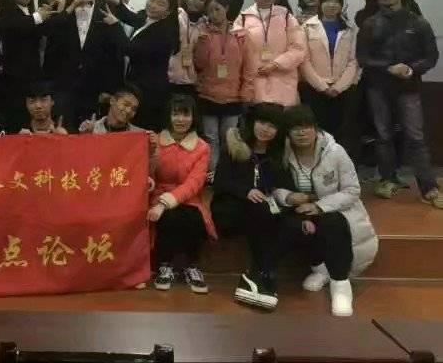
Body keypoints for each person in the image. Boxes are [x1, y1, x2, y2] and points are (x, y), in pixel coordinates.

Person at [272, 105, 378, 317]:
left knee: (331, 223)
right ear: (288, 133)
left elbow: (352, 190)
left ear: (316, 128)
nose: (301, 133)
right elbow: (274, 188)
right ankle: (320, 269)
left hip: (336, 210)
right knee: (292, 226)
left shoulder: (335, 152)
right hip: (299, 210)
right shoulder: (282, 154)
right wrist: (287, 197)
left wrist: (319, 206)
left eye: (306, 127)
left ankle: (340, 285)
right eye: (295, 128)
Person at [356, 0, 441, 206]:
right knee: (383, 135)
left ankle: (429, 187)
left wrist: (412, 69)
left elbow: (431, 56)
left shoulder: (418, 22)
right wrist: (389, 67)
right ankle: (387, 179)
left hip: (409, 87)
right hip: (378, 87)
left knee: (415, 136)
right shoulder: (370, 23)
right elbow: (362, 58)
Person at [211, 103, 286, 310]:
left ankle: (256, 276)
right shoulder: (236, 145)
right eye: (262, 122)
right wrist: (246, 191)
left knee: (277, 217)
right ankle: (260, 273)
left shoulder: (277, 154)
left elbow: (279, 186)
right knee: (262, 215)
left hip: (260, 209)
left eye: (272, 126)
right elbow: (220, 182)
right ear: (253, 122)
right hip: (229, 207)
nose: (265, 129)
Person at [43, 0, 124, 129]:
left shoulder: (108, 8)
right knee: (63, 134)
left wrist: (111, 90)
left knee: (92, 137)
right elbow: (49, 39)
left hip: (96, 88)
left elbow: (116, 53)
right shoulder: (61, 6)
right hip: (63, 87)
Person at [147, 94, 215, 294]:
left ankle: (191, 266)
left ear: (194, 118)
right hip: (158, 193)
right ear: (168, 116)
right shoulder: (155, 141)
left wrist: (166, 202)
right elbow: (147, 174)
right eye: (175, 114)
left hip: (189, 198)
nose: (180, 119)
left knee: (190, 216)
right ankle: (165, 265)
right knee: (169, 216)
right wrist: (151, 154)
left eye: (186, 115)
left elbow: (195, 182)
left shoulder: (202, 147)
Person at [103, 0, 179, 130]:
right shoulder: (147, 18)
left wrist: (115, 26)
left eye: (160, 3)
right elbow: (134, 18)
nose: (153, 5)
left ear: (168, 11)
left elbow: (131, 50)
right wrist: (118, 3)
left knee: (142, 131)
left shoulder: (165, 33)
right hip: (137, 86)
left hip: (150, 92)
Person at [194, 0, 255, 176]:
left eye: (217, 9)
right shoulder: (202, 33)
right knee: (210, 138)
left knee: (230, 139)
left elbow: (249, 65)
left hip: (233, 96)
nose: (214, 14)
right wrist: (202, 41)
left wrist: (246, 91)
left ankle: (227, 174)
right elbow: (198, 63)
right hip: (207, 95)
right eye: (210, 11)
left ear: (226, 8)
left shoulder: (241, 34)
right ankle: (213, 174)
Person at [233, 0, 306, 106]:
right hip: (254, 80)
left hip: (282, 82)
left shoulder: (287, 17)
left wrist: (276, 64)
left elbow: (298, 48)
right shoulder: (243, 18)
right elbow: (236, 49)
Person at [300, 0, 358, 140]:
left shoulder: (350, 28)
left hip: (342, 90)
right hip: (314, 89)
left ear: (341, 5)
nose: (332, 5)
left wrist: (338, 87)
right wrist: (323, 86)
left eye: (337, 2)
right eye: (328, 1)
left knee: (340, 132)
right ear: (321, 3)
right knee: (316, 131)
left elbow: (353, 61)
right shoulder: (307, 27)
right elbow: (304, 61)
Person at [0, 0, 54, 127]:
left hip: (32, 74)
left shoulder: (29, 9)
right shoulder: (7, 10)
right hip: (16, 76)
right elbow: (17, 26)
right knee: (17, 117)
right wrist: (38, 16)